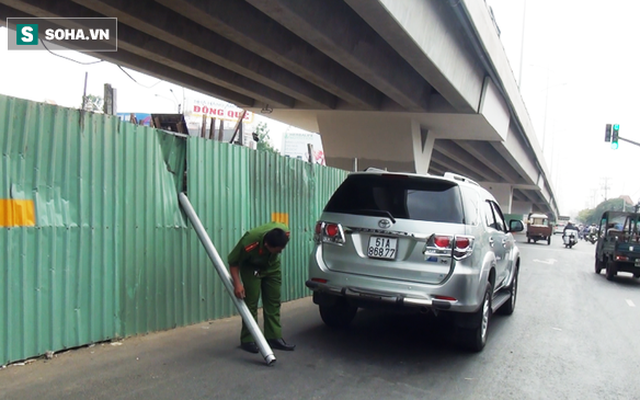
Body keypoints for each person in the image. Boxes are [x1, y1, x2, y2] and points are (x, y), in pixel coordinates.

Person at [227, 222, 296, 353]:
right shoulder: (249, 243)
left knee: (273, 302)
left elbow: (279, 247)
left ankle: (274, 337)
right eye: (277, 250)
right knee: (251, 302)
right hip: (252, 267)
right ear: (266, 245)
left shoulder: (284, 233)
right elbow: (233, 261)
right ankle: (248, 339)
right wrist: (237, 284)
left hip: (272, 266)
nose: (280, 252)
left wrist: (275, 253)